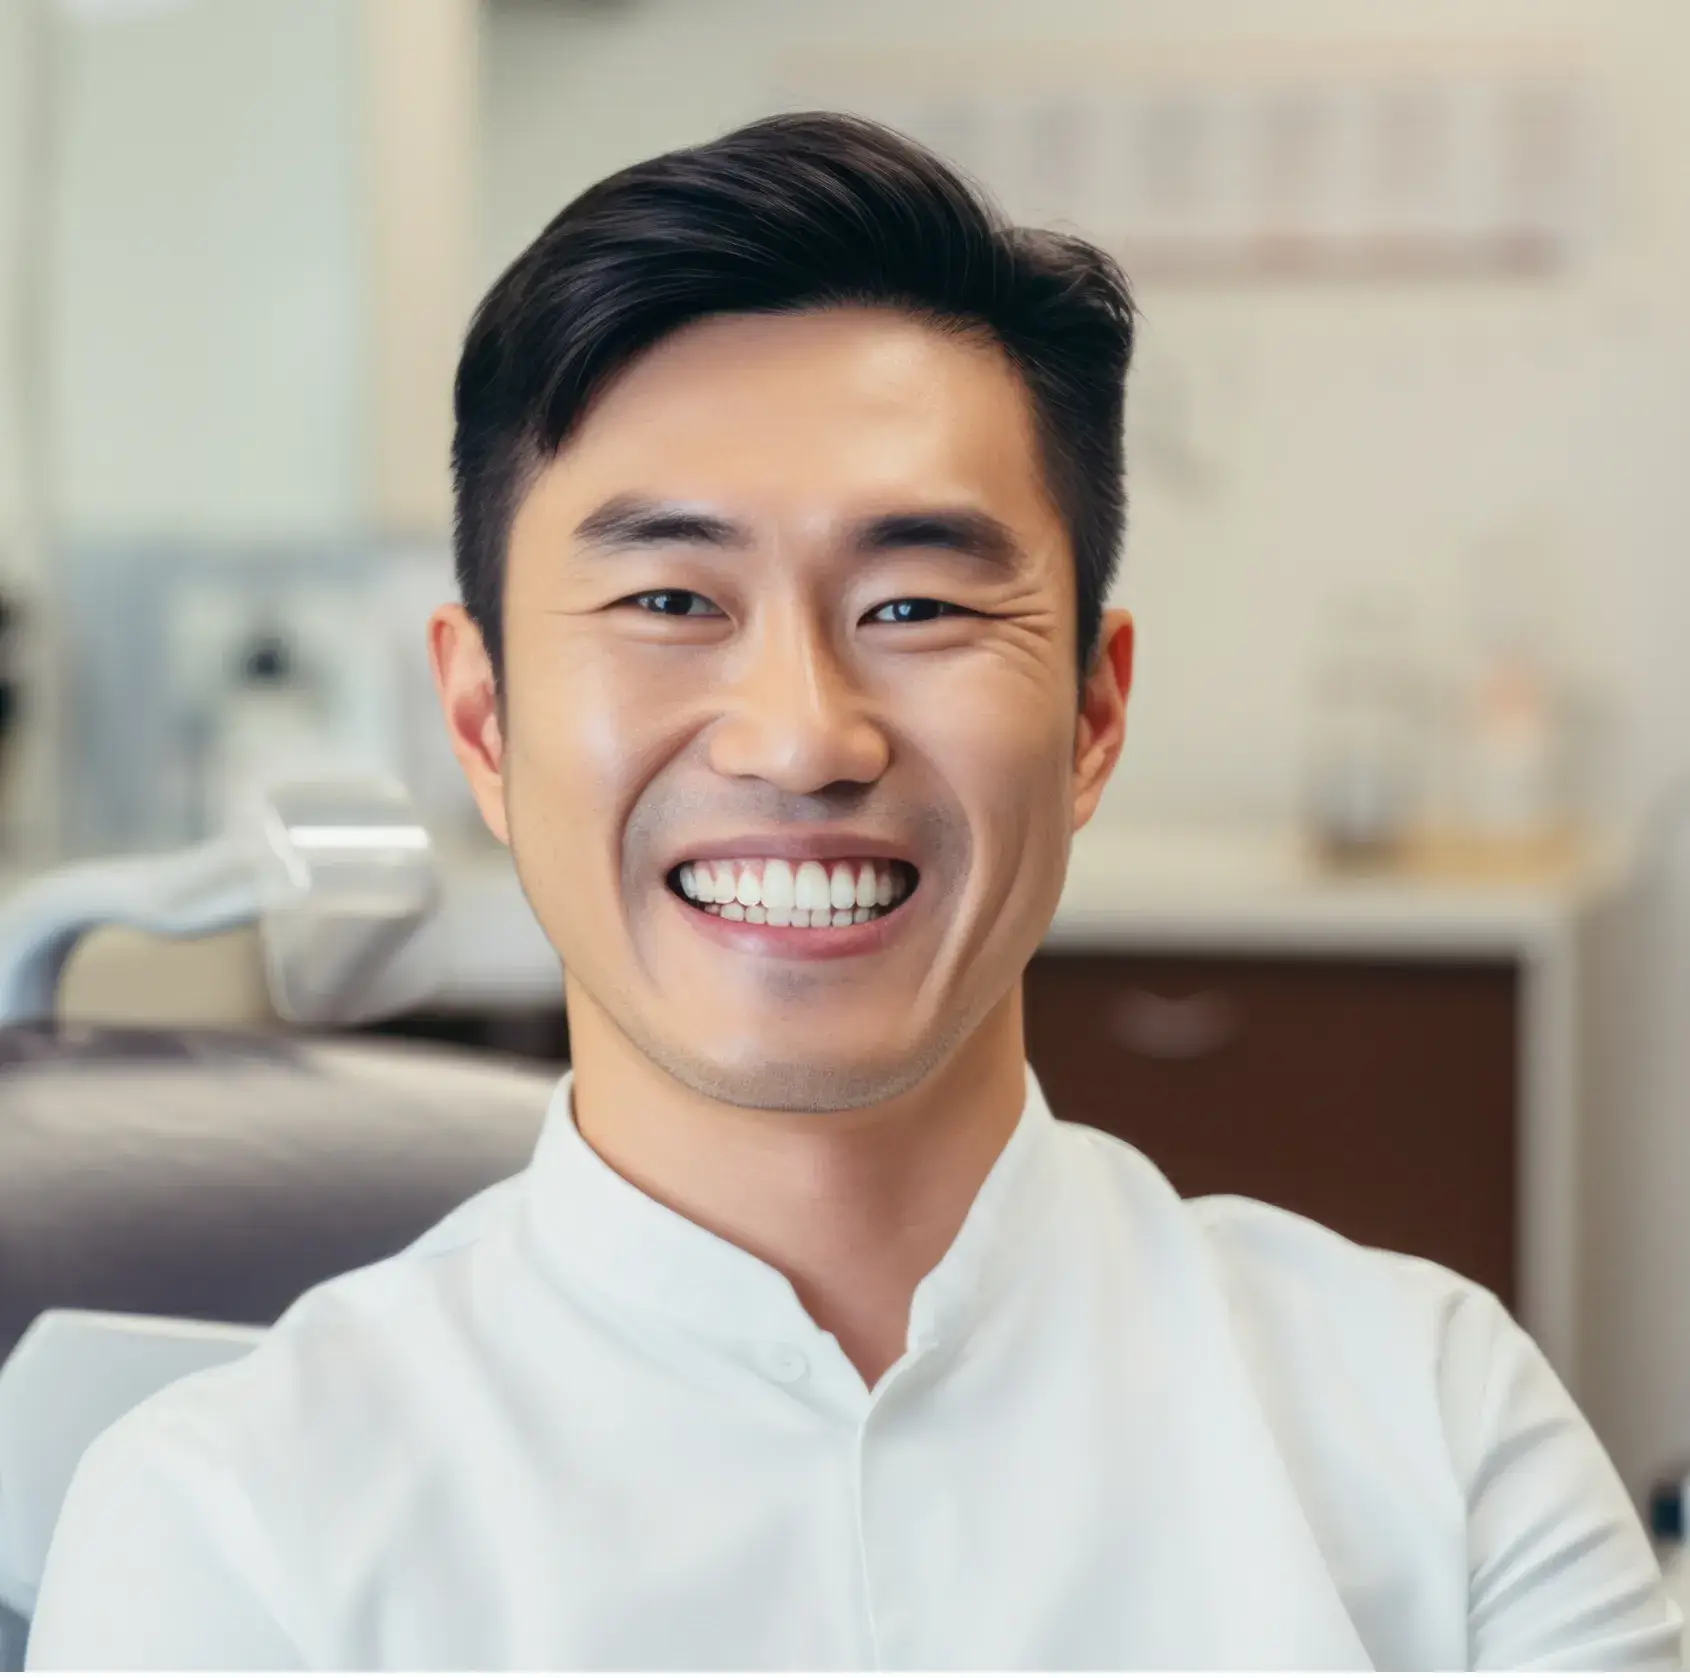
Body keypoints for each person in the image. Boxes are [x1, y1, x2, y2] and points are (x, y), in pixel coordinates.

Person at [26, 112, 1681, 1671]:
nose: (804, 735)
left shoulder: (1430, 1427)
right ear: (482, 715)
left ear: (1093, 712)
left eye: (912, 607)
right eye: (673, 595)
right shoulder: (230, 1520)